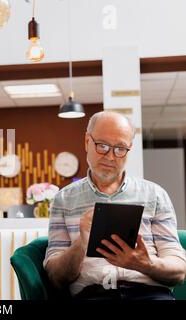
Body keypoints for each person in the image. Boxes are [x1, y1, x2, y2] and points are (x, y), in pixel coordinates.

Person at [44, 111, 186, 300]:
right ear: (87, 141)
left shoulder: (155, 195)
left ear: (130, 149)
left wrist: (145, 263)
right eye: (102, 146)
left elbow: (179, 271)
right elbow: (55, 278)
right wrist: (81, 243)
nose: (111, 157)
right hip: (93, 295)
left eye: (120, 148)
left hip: (149, 294)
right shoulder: (64, 199)